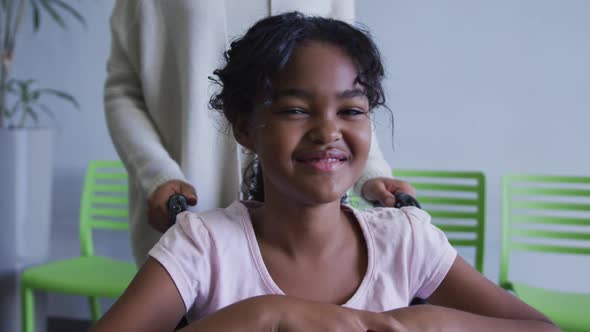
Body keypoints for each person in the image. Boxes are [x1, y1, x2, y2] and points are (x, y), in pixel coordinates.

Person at [94, 12, 559, 332]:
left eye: (351, 110)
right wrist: (265, 318)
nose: (327, 131)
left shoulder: (407, 242)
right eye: (296, 110)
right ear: (244, 128)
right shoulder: (203, 247)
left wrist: (433, 321)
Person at [104, 0, 416, 267]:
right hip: (188, 201)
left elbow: (346, 85)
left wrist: (371, 172)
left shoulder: (414, 241)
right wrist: (156, 174)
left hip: (302, 222)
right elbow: (124, 90)